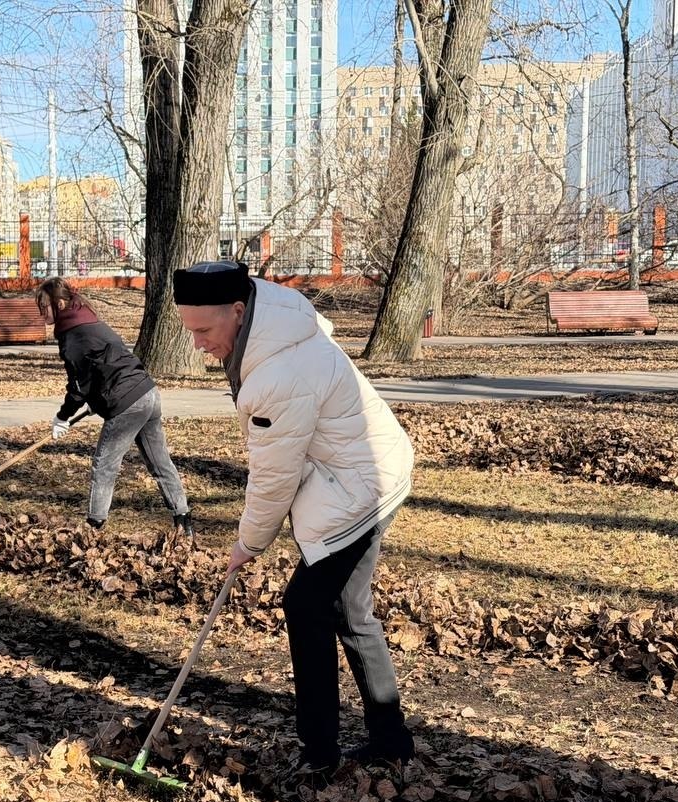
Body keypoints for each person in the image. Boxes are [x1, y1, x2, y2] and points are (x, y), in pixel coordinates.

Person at [174, 260, 416, 773]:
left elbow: (273, 478)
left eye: (203, 330)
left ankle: (320, 753)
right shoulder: (272, 324)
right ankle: (390, 739)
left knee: (305, 605)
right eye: (187, 329)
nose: (196, 345)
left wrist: (249, 543)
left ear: (238, 311)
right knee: (349, 610)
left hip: (360, 485)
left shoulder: (277, 373)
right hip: (369, 467)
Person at [36, 276, 193, 537]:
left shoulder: (72, 336)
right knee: (159, 462)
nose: (41, 312)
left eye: (44, 306)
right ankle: (183, 518)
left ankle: (94, 526)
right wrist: (97, 400)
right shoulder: (89, 321)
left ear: (60, 303)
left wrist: (62, 417)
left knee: (104, 464)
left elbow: (78, 387)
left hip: (128, 402)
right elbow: (105, 365)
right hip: (148, 393)